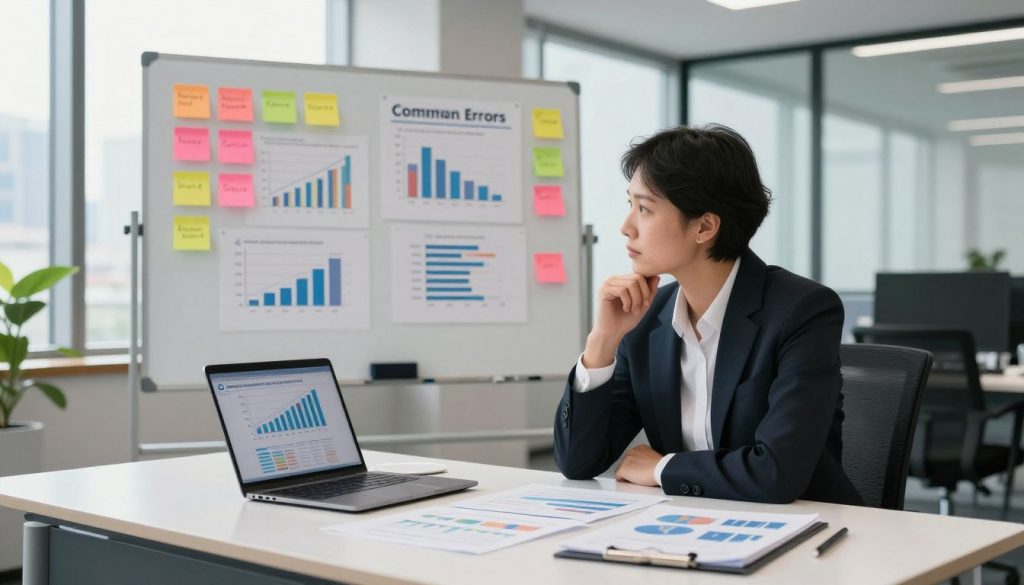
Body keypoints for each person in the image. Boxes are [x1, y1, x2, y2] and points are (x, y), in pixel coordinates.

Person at [553, 124, 862, 505]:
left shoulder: (802, 311)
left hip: (807, 531)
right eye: (629, 205)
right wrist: (601, 343)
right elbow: (578, 462)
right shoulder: (647, 318)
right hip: (690, 525)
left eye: (645, 209)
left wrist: (661, 469)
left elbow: (777, 474)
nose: (626, 227)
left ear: (704, 226)